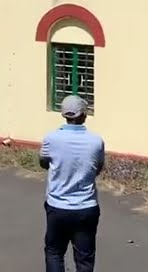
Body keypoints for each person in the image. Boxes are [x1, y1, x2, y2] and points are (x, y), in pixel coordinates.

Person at [40, 95, 105, 272]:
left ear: (63, 114)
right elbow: (97, 168)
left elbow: (44, 162)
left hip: (57, 205)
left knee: (54, 252)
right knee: (84, 257)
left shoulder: (51, 139)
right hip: (86, 207)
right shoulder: (96, 141)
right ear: (83, 115)